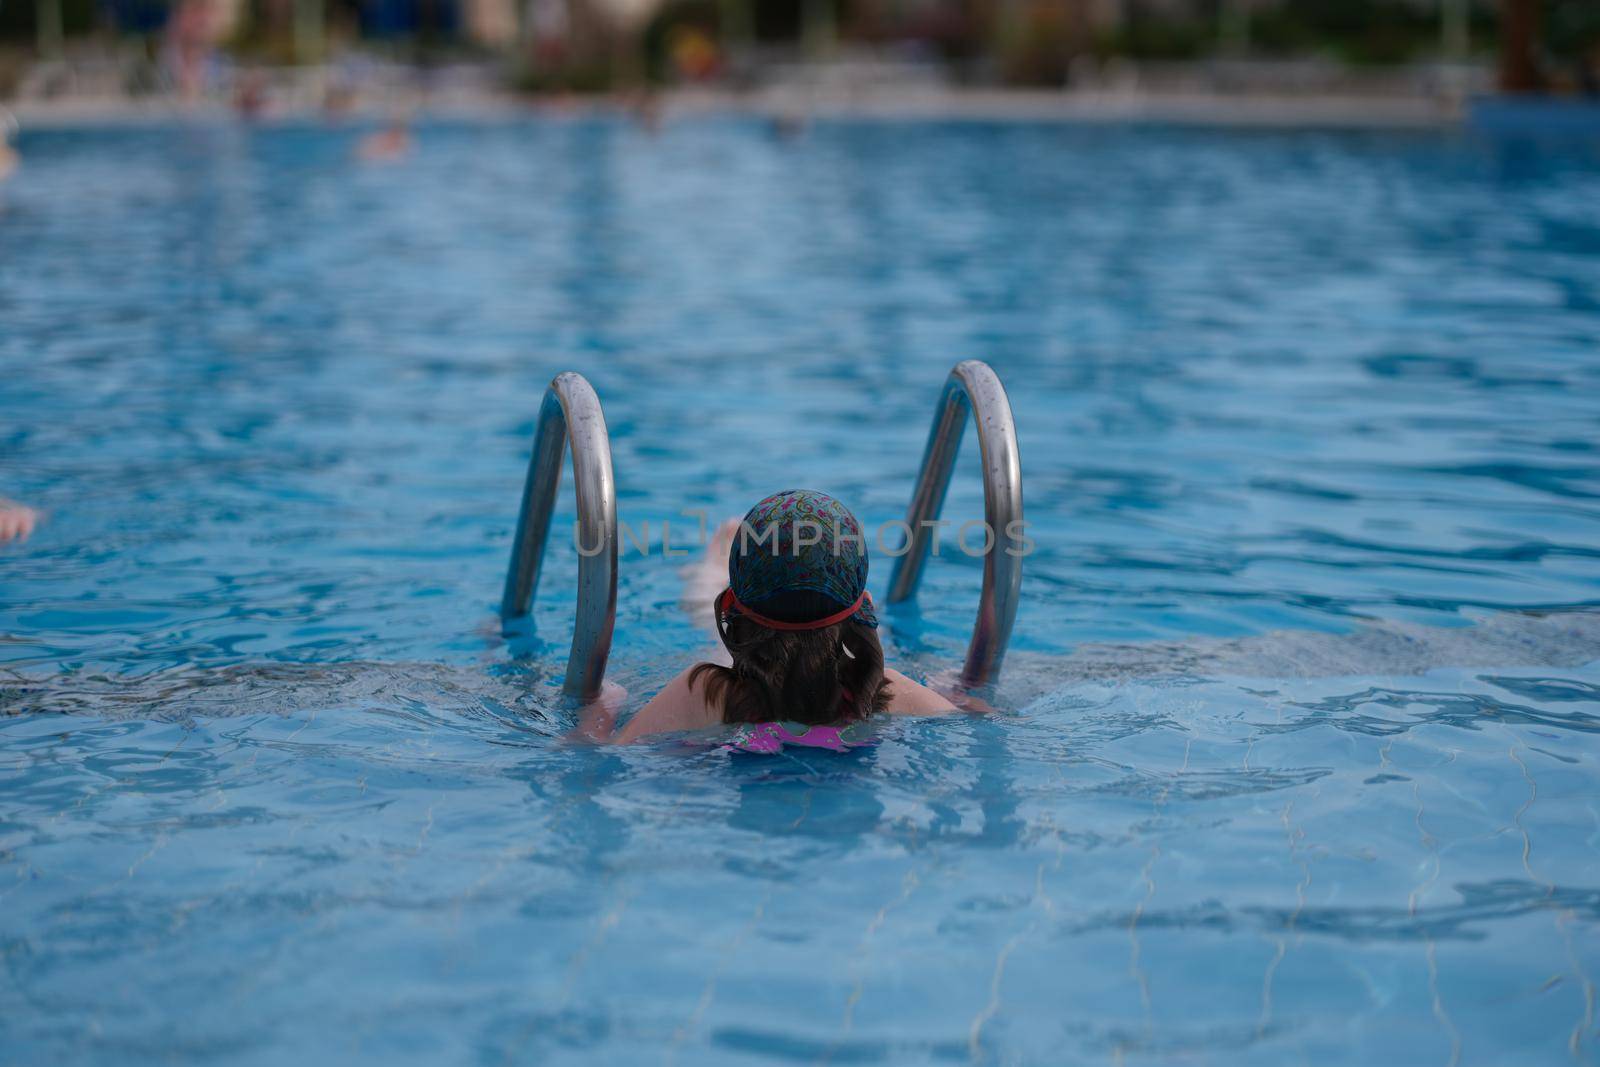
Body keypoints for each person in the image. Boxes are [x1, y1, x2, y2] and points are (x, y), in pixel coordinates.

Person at [579, 490, 961, 747]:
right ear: (866, 606)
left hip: (739, 696)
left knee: (714, 640)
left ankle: (713, 571)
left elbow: (596, 758)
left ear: (729, 605)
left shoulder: (706, 693)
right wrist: (959, 694)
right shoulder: (889, 693)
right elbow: (972, 726)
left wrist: (602, 708)